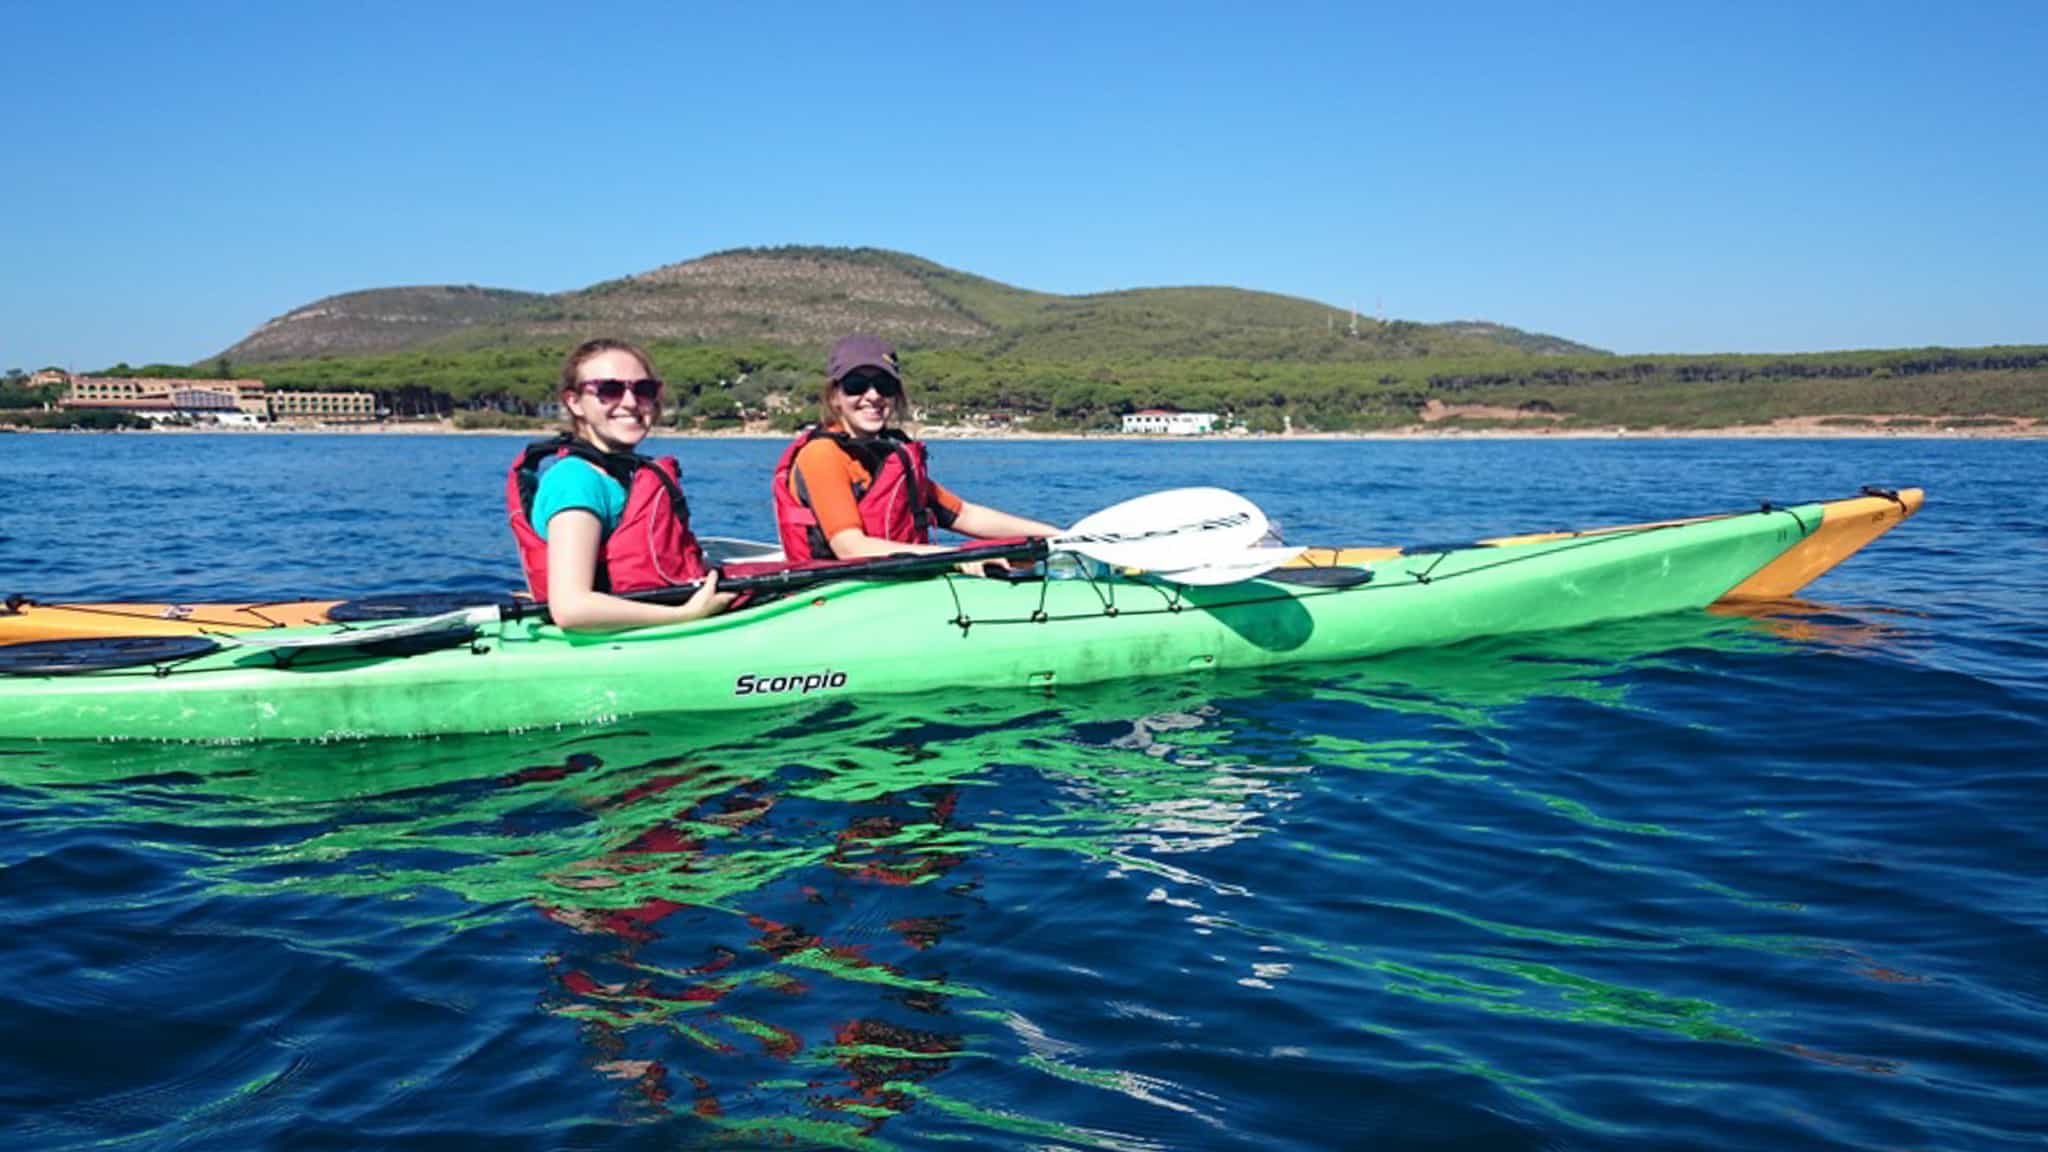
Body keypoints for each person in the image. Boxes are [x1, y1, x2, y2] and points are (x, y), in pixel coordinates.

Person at [506, 338, 736, 631]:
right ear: (574, 402)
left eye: (643, 390)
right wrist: (687, 615)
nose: (630, 402)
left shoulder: (617, 474)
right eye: (609, 390)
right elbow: (571, 608)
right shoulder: (576, 481)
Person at [771, 334, 1057, 563]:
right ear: (835, 397)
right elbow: (851, 547)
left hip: (894, 583)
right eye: (856, 385)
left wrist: (1059, 536)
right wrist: (959, 557)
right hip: (836, 595)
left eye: (883, 385)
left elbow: (963, 515)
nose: (873, 396)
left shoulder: (889, 456)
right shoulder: (822, 455)